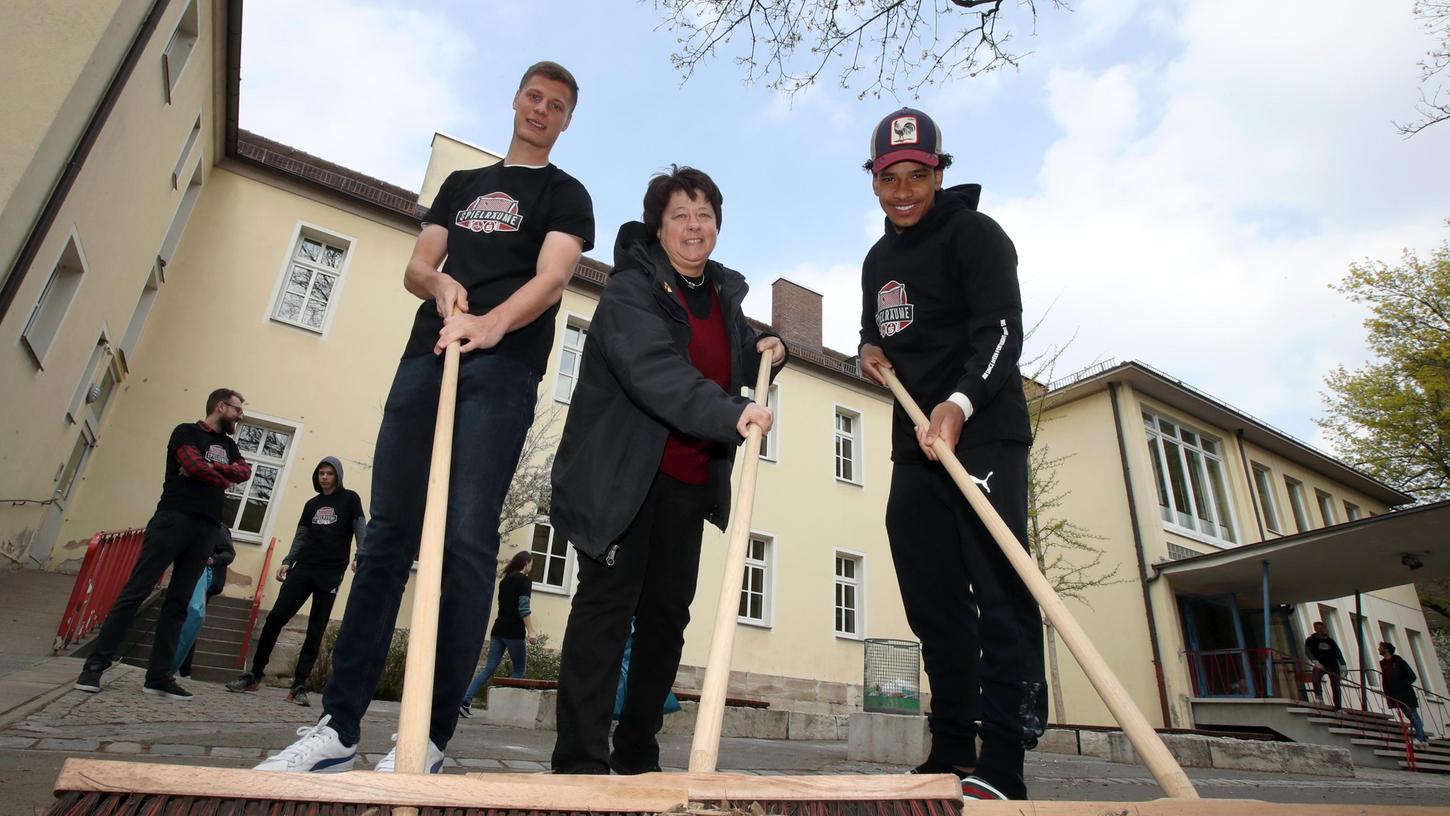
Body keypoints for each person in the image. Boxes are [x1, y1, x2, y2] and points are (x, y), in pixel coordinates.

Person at [256, 61, 593, 774]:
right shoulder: (464, 185)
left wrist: (492, 324)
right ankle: (338, 729)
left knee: (467, 543)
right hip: (425, 359)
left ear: (566, 121)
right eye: (534, 96)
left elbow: (554, 277)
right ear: (515, 99)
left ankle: (427, 740)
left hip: (501, 369)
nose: (541, 109)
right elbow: (419, 264)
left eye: (556, 105)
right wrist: (440, 285)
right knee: (384, 542)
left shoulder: (565, 194)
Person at [549, 165, 784, 775]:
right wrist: (733, 410)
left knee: (664, 621)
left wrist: (771, 350)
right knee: (607, 612)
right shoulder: (631, 291)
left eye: (704, 214)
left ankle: (637, 754)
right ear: (658, 226)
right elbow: (657, 370)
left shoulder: (722, 300)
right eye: (680, 214)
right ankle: (577, 763)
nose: (693, 225)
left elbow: (740, 350)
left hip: (686, 482)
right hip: (624, 480)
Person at [855, 108, 1044, 801]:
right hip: (916, 450)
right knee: (932, 603)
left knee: (998, 595)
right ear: (874, 180)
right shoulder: (878, 260)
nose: (903, 190)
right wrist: (866, 352)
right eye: (890, 178)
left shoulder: (977, 236)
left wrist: (958, 405)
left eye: (917, 175)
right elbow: (875, 334)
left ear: (939, 172)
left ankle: (1002, 763)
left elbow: (999, 334)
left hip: (982, 434)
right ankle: (951, 748)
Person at [74, 388, 252, 700]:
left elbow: (244, 472)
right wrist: (219, 476)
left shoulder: (229, 445)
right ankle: (94, 666)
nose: (241, 416)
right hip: (173, 518)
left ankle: (158, 676)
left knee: (179, 603)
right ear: (221, 406)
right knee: (135, 592)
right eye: (238, 410)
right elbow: (191, 465)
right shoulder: (185, 432)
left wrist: (216, 473)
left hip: (207, 529)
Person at [227, 457, 366, 706]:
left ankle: (299, 684)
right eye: (321, 473)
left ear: (338, 476)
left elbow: (360, 528)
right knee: (275, 618)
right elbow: (301, 536)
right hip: (303, 568)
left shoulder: (350, 499)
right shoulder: (311, 504)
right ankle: (255, 674)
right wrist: (288, 561)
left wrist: (360, 555)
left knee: (315, 629)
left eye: (329, 473)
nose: (324, 477)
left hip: (331, 572)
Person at [459, 551, 538, 717]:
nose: (531, 567)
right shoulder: (524, 581)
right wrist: (531, 631)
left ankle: (465, 701)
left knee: (489, 667)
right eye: (531, 563)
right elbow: (523, 607)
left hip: (498, 629)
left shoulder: (505, 581)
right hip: (514, 631)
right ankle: (508, 710)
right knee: (519, 670)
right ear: (525, 564)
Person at [177, 528, 236, 679]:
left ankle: (184, 669)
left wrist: (213, 559)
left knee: (191, 622)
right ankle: (173, 665)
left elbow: (229, 553)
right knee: (180, 621)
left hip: (204, 582)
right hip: (187, 577)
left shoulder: (219, 528)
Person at [1380, 642, 1429, 743]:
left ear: (1387, 650)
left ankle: (1420, 737)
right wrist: (1387, 692)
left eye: (1381, 648)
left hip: (1406, 694)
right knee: (1410, 716)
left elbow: (1412, 676)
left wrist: (1401, 684)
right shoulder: (1384, 664)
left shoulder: (1398, 661)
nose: (1379, 649)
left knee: (1413, 715)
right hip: (1396, 695)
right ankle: (1423, 737)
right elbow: (1386, 680)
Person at [1305, 621, 1346, 710]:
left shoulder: (1330, 641)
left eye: (1321, 628)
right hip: (1320, 664)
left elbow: (1338, 652)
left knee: (1336, 686)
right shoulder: (1311, 640)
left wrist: (1343, 665)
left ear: (1324, 628)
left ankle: (1338, 707)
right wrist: (1315, 661)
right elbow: (1308, 651)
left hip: (1333, 665)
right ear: (1315, 629)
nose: (1319, 630)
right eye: (1317, 628)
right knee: (1315, 677)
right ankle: (1319, 697)